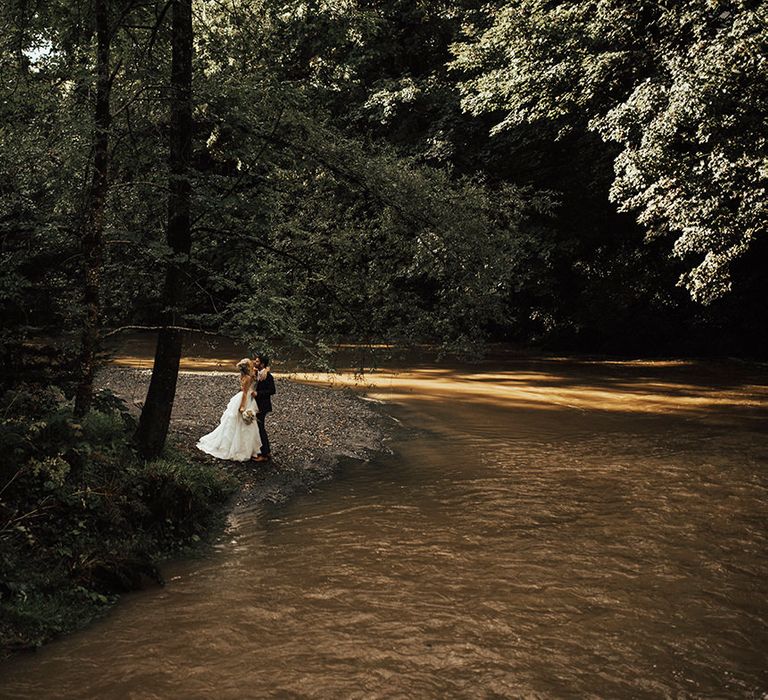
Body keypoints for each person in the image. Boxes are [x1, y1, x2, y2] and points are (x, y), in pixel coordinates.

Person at [196, 358, 263, 461]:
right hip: (245, 399)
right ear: (248, 368)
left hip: (246, 397)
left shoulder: (245, 375)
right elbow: (245, 393)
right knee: (243, 423)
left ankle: (244, 448)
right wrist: (242, 406)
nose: (253, 364)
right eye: (250, 364)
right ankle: (241, 449)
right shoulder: (248, 378)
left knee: (242, 423)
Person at [250, 352, 275, 462]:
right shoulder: (258, 372)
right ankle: (263, 451)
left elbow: (272, 390)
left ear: (262, 364)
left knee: (260, 429)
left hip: (262, 406)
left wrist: (258, 393)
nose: (255, 362)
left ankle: (265, 454)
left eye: (257, 361)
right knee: (258, 428)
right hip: (256, 405)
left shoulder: (268, 376)